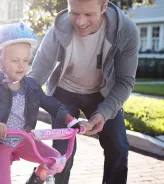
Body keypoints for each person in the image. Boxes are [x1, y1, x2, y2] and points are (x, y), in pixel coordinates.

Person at [28, 0, 139, 183]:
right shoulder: (59, 28)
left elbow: (125, 81)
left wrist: (103, 113)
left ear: (104, 7)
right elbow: (38, 71)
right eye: (74, 13)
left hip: (102, 93)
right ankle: (45, 179)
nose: (80, 22)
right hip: (64, 90)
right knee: (62, 154)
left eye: (88, 15)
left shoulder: (125, 31)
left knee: (118, 146)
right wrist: (19, 103)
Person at [0, 21, 91, 184]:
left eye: (26, 60)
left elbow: (51, 104)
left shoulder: (31, 85)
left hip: (24, 141)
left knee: (55, 159)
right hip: (0, 144)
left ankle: (35, 180)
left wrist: (72, 121)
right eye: (15, 60)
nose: (21, 65)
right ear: (0, 61)